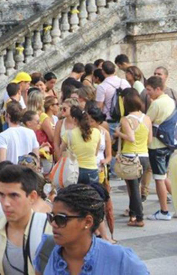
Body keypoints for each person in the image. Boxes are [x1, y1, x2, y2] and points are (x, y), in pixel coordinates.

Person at [35, 184, 149, 275]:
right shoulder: (47, 249)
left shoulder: (120, 260)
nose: (53, 224)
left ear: (87, 222)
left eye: (61, 219)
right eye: (51, 217)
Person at [0, 165, 51, 275]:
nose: (6, 203)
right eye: (1, 195)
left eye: (14, 196)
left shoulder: (49, 230)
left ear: (32, 197)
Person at [110, 89, 151, 227]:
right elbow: (149, 140)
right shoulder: (147, 118)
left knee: (133, 189)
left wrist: (118, 133)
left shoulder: (126, 120)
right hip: (144, 156)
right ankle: (133, 214)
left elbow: (131, 138)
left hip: (130, 157)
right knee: (134, 186)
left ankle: (139, 218)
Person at [144, 76, 175, 221]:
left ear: (158, 89)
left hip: (156, 146)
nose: (147, 92)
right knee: (164, 177)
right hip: (168, 144)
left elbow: (146, 122)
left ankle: (164, 211)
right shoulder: (170, 100)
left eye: (149, 90)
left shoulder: (156, 104)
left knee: (159, 179)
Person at [60, 106, 100, 184]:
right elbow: (96, 153)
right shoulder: (96, 132)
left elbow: (61, 152)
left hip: (75, 171)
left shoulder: (69, 134)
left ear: (75, 120)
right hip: (92, 170)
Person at [95, 61, 130, 127]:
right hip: (125, 119)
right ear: (115, 70)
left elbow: (99, 106)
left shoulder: (102, 86)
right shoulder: (124, 82)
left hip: (110, 120)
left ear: (103, 72)